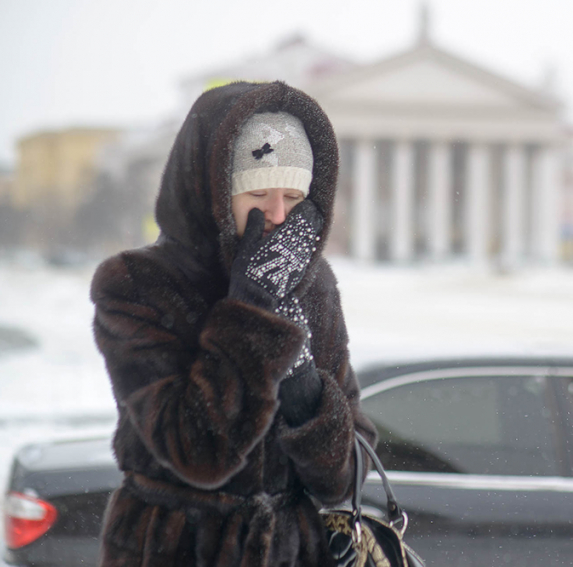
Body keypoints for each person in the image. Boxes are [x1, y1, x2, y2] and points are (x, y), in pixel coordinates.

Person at [90, 81, 377, 567]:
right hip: (177, 549)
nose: (279, 215)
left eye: (294, 195)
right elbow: (198, 452)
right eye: (259, 193)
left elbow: (345, 476)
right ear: (214, 192)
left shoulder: (313, 287)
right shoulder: (137, 285)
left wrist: (305, 388)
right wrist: (255, 311)